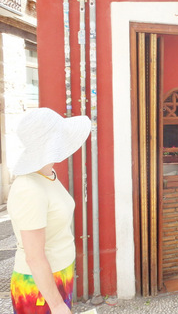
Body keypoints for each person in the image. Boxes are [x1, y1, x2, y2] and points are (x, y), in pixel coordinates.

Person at [7, 108, 91, 314]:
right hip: (37, 286)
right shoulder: (29, 188)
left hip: (59, 274)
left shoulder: (48, 174)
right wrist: (56, 304)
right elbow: (34, 257)